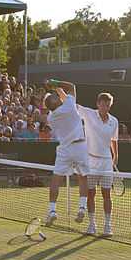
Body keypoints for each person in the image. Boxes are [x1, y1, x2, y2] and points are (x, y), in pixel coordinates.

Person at [44, 79, 89, 226]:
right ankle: (82, 208)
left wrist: (56, 90)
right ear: (56, 103)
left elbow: (62, 98)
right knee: (83, 178)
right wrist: (55, 83)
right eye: (56, 97)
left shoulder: (51, 117)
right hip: (80, 147)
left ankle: (52, 211)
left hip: (65, 149)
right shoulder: (69, 106)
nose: (58, 97)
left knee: (56, 179)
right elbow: (71, 86)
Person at [78, 93, 118, 236]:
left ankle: (107, 225)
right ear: (98, 104)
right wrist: (59, 90)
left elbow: (114, 140)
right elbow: (72, 105)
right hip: (91, 162)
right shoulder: (89, 114)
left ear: (110, 106)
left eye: (107, 105)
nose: (105, 107)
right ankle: (92, 224)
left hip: (106, 163)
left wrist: (115, 156)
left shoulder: (114, 121)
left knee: (106, 195)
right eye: (103, 104)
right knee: (91, 194)